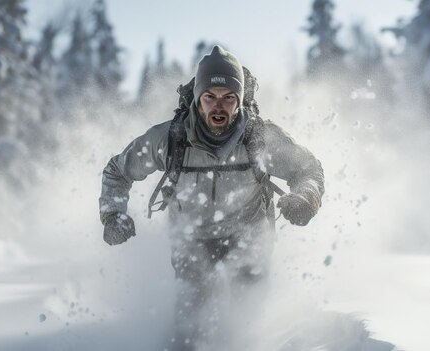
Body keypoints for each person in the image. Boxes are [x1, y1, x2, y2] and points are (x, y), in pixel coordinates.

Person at [99, 46, 325, 350]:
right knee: (190, 325)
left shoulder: (261, 139)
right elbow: (117, 171)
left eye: (228, 97)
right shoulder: (169, 139)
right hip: (192, 239)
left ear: (239, 100)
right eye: (210, 97)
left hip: (250, 237)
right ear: (197, 98)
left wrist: (305, 198)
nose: (219, 106)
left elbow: (309, 169)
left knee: (248, 321)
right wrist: (113, 214)